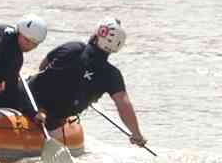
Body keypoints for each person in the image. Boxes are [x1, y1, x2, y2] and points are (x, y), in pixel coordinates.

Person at [27, 17, 148, 148]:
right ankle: (43, 113)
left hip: (28, 98)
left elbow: (42, 66)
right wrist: (136, 134)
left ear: (97, 34)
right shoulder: (112, 75)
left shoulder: (73, 47)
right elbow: (124, 106)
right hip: (56, 117)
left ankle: (41, 110)